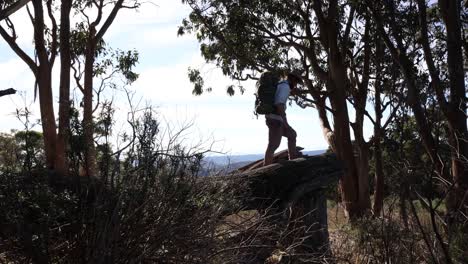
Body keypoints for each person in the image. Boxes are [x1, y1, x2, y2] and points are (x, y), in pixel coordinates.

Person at [263, 71, 303, 166]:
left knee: (292, 134)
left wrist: (291, 93)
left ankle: (292, 162)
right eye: (296, 82)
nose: (296, 84)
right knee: (273, 145)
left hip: (275, 118)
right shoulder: (285, 87)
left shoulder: (281, 85)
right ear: (293, 79)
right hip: (275, 119)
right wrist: (286, 124)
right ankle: (265, 170)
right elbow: (279, 105)